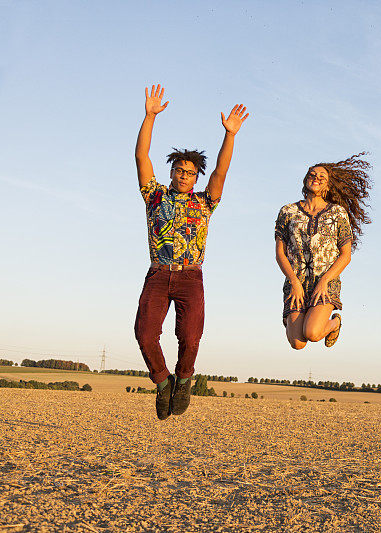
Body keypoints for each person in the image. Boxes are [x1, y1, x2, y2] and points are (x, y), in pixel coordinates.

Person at [133, 84, 248, 419]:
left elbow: (220, 172)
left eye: (189, 173)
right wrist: (149, 116)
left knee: (190, 336)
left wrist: (229, 136)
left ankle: (184, 379)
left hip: (190, 277)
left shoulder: (204, 202)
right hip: (157, 274)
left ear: (195, 177)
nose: (184, 176)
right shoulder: (153, 196)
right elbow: (141, 156)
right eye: (179, 171)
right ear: (171, 172)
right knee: (144, 333)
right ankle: (163, 382)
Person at [274, 153, 371, 350]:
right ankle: (294, 321)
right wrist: (293, 282)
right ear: (304, 179)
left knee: (313, 334)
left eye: (321, 177)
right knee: (298, 343)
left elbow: (346, 255)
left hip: (325, 282)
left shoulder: (338, 213)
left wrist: (325, 281)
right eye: (312, 174)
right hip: (296, 282)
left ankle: (334, 323)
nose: (316, 178)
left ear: (327, 186)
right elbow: (280, 253)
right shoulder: (287, 211)